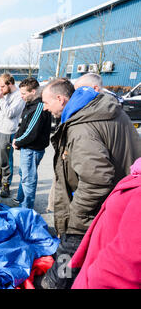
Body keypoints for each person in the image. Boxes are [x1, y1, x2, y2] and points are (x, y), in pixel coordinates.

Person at [38, 78, 141, 289]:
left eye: (47, 103)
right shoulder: (101, 109)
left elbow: (97, 178)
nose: (46, 109)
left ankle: (55, 285)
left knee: (67, 255)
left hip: (93, 210)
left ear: (60, 98)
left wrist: (75, 213)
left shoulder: (81, 129)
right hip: (119, 202)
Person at [69, 157, 141, 289]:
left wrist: (76, 213)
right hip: (100, 240)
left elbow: (99, 177)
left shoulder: (83, 135)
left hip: (79, 223)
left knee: (65, 265)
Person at [12, 78, 51, 209]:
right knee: (24, 174)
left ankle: (26, 208)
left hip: (32, 149)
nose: (21, 96)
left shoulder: (38, 107)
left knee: (28, 180)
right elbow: (23, 125)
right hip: (27, 148)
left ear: (33, 91)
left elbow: (31, 132)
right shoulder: (30, 105)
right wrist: (16, 138)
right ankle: (21, 198)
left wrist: (18, 141)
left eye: (23, 93)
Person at [0, 73, 25, 198]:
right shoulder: (3, 95)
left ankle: (6, 184)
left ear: (10, 84)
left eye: (2, 87)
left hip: (8, 131)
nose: (0, 90)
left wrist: (2, 99)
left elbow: (10, 113)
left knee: (6, 160)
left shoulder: (19, 97)